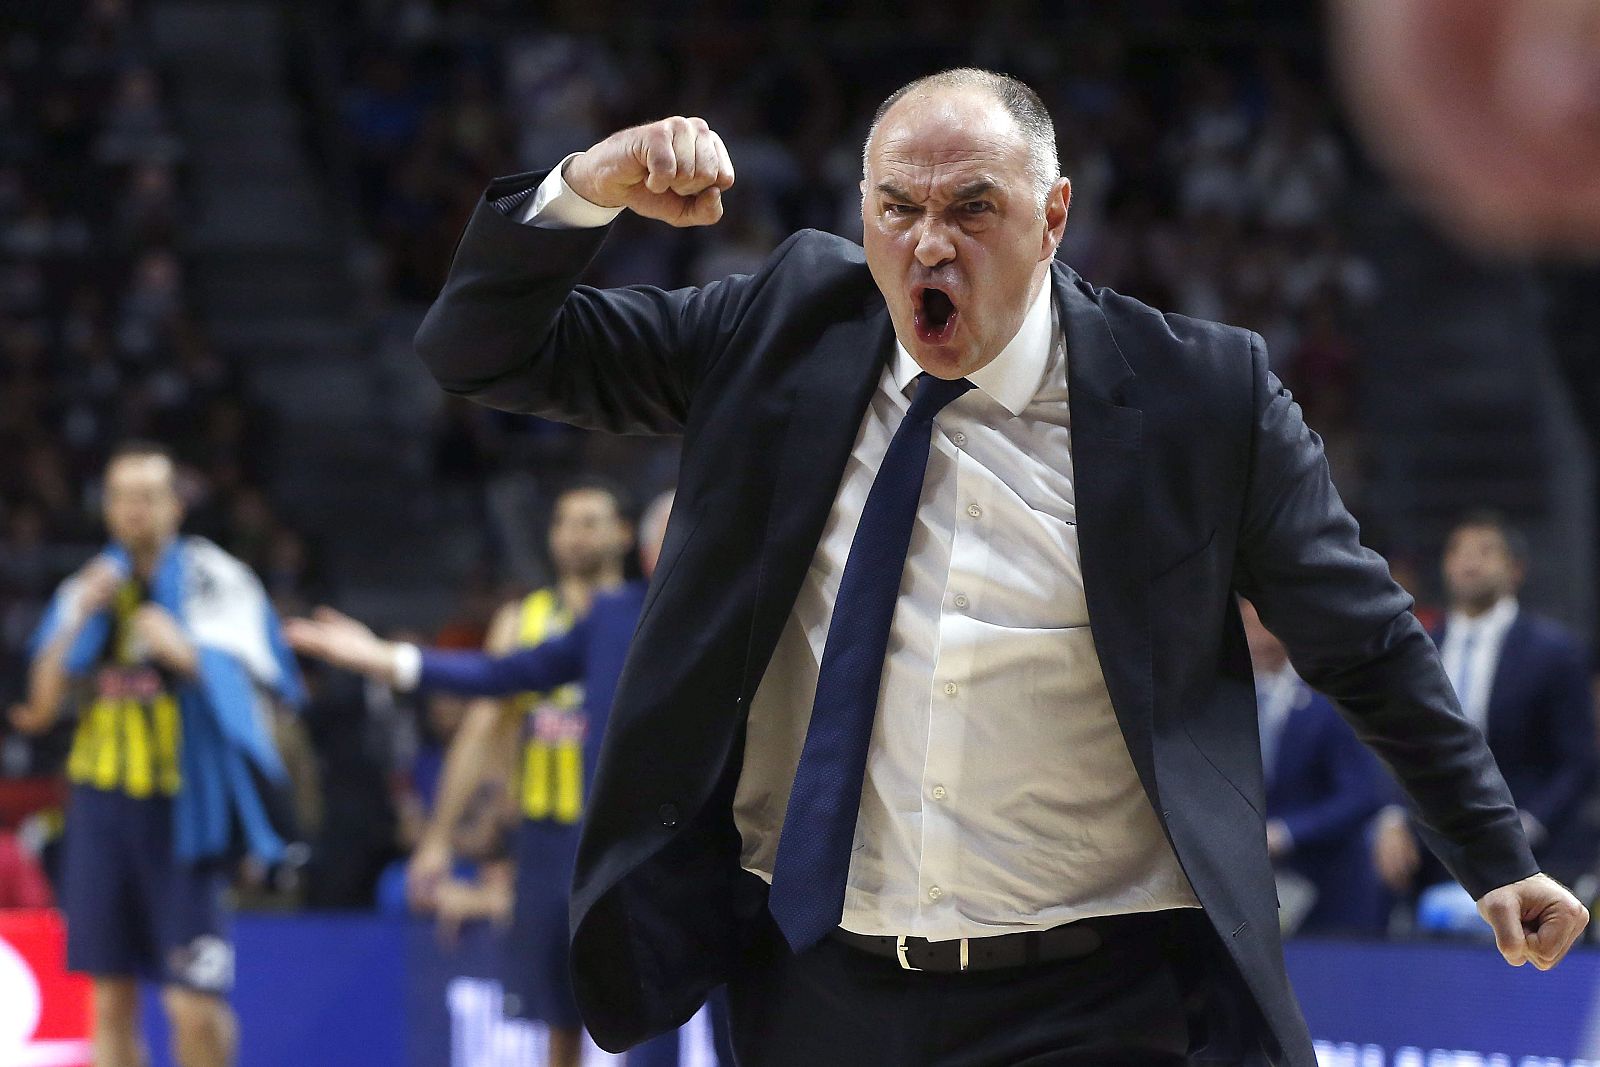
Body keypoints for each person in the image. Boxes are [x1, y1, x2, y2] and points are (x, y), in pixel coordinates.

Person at [411, 68, 1587, 1066]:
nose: (928, 241)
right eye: (897, 207)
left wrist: (1491, 852)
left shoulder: (1198, 393)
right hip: (817, 984)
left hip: (1099, 992)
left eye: (973, 206)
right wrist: (582, 191)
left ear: (1055, 213)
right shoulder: (780, 328)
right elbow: (481, 351)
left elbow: (1363, 636)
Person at [287, 490, 731, 1066]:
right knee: (578, 1018)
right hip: (588, 848)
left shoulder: (757, 612)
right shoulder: (608, 619)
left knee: (729, 1028)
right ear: (649, 551)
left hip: (719, 858)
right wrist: (385, 659)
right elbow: (497, 682)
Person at [8, 441, 302, 1067]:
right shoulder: (88, 585)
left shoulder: (215, 580)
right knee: (108, 997)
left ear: (176, 505)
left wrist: (188, 654)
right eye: (120, 497)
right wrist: (71, 621)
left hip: (185, 813)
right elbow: (37, 707)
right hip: (100, 809)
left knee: (192, 1002)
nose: (133, 509)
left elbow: (271, 687)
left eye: (147, 496)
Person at [406, 479, 634, 1067]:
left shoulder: (642, 616)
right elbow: (481, 732)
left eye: (591, 520)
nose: (576, 534)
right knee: (555, 1014)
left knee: (638, 1002)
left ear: (622, 534)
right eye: (564, 521)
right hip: (545, 839)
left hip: (622, 838)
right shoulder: (522, 620)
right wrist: (437, 839)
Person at [1373, 511, 1599, 911]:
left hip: (1531, 848)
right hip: (1434, 845)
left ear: (1515, 570)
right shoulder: (1419, 644)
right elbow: (1399, 739)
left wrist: (1529, 824)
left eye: (1485, 551)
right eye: (1457, 551)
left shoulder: (1553, 651)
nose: (1469, 561)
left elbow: (1577, 760)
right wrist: (1392, 815)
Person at [1240, 599, 1388, 937]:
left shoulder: (1330, 694)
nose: (1256, 636)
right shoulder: (1222, 703)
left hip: (1327, 881)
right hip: (1248, 884)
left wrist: (1287, 833)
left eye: (1262, 623)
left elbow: (1359, 794)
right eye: (1245, 625)